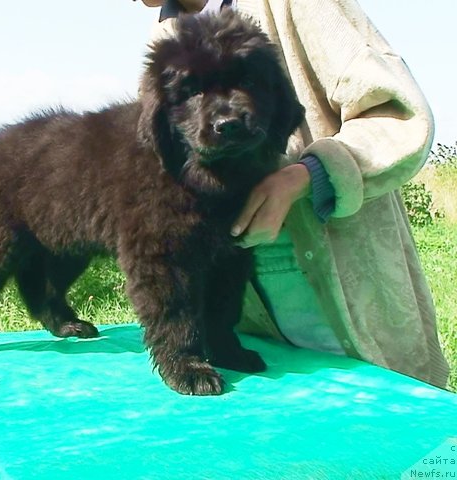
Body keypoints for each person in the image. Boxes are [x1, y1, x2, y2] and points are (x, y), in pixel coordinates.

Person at [139, 0, 450, 388]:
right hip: (254, 329)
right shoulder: (165, 37)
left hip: (350, 307)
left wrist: (307, 175)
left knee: (396, 436)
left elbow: (400, 115)